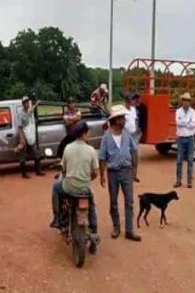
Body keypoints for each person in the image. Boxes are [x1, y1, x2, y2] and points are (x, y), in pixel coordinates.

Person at [99, 105, 142, 242]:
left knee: (129, 201)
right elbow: (102, 157)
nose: (124, 120)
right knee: (113, 201)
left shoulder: (127, 134)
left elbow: (134, 151)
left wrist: (134, 170)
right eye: (122, 118)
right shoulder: (106, 137)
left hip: (126, 171)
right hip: (113, 172)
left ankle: (129, 230)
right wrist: (102, 175)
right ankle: (116, 226)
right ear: (116, 120)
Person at [50, 122, 99, 239]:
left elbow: (64, 170)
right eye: (88, 132)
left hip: (69, 187)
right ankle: (94, 230)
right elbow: (95, 173)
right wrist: (87, 179)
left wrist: (68, 176)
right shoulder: (91, 150)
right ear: (83, 134)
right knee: (91, 206)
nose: (89, 134)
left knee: (56, 187)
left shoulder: (68, 148)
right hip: (85, 188)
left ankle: (57, 218)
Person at [17, 96, 45, 179]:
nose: (27, 103)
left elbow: (31, 109)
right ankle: (24, 173)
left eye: (28, 102)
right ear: (23, 104)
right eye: (25, 102)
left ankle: (38, 170)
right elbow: (20, 127)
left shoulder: (29, 111)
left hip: (31, 135)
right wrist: (22, 139)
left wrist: (36, 103)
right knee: (23, 154)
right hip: (24, 135)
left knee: (36, 152)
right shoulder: (21, 114)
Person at [174, 93, 195, 189]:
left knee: (190, 160)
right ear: (182, 101)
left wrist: (184, 122)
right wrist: (187, 121)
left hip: (190, 138)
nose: (186, 102)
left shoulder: (193, 112)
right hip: (181, 138)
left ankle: (189, 182)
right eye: (184, 100)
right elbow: (178, 123)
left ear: (189, 102)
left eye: (187, 100)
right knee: (179, 160)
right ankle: (178, 180)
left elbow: (194, 124)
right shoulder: (178, 111)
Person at [124, 94, 141, 183]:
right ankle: (127, 176)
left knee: (135, 156)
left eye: (131, 101)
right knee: (126, 157)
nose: (131, 102)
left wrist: (137, 131)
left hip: (134, 135)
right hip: (125, 135)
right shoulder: (123, 111)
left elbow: (135, 121)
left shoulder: (133, 109)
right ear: (126, 101)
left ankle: (134, 176)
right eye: (129, 101)